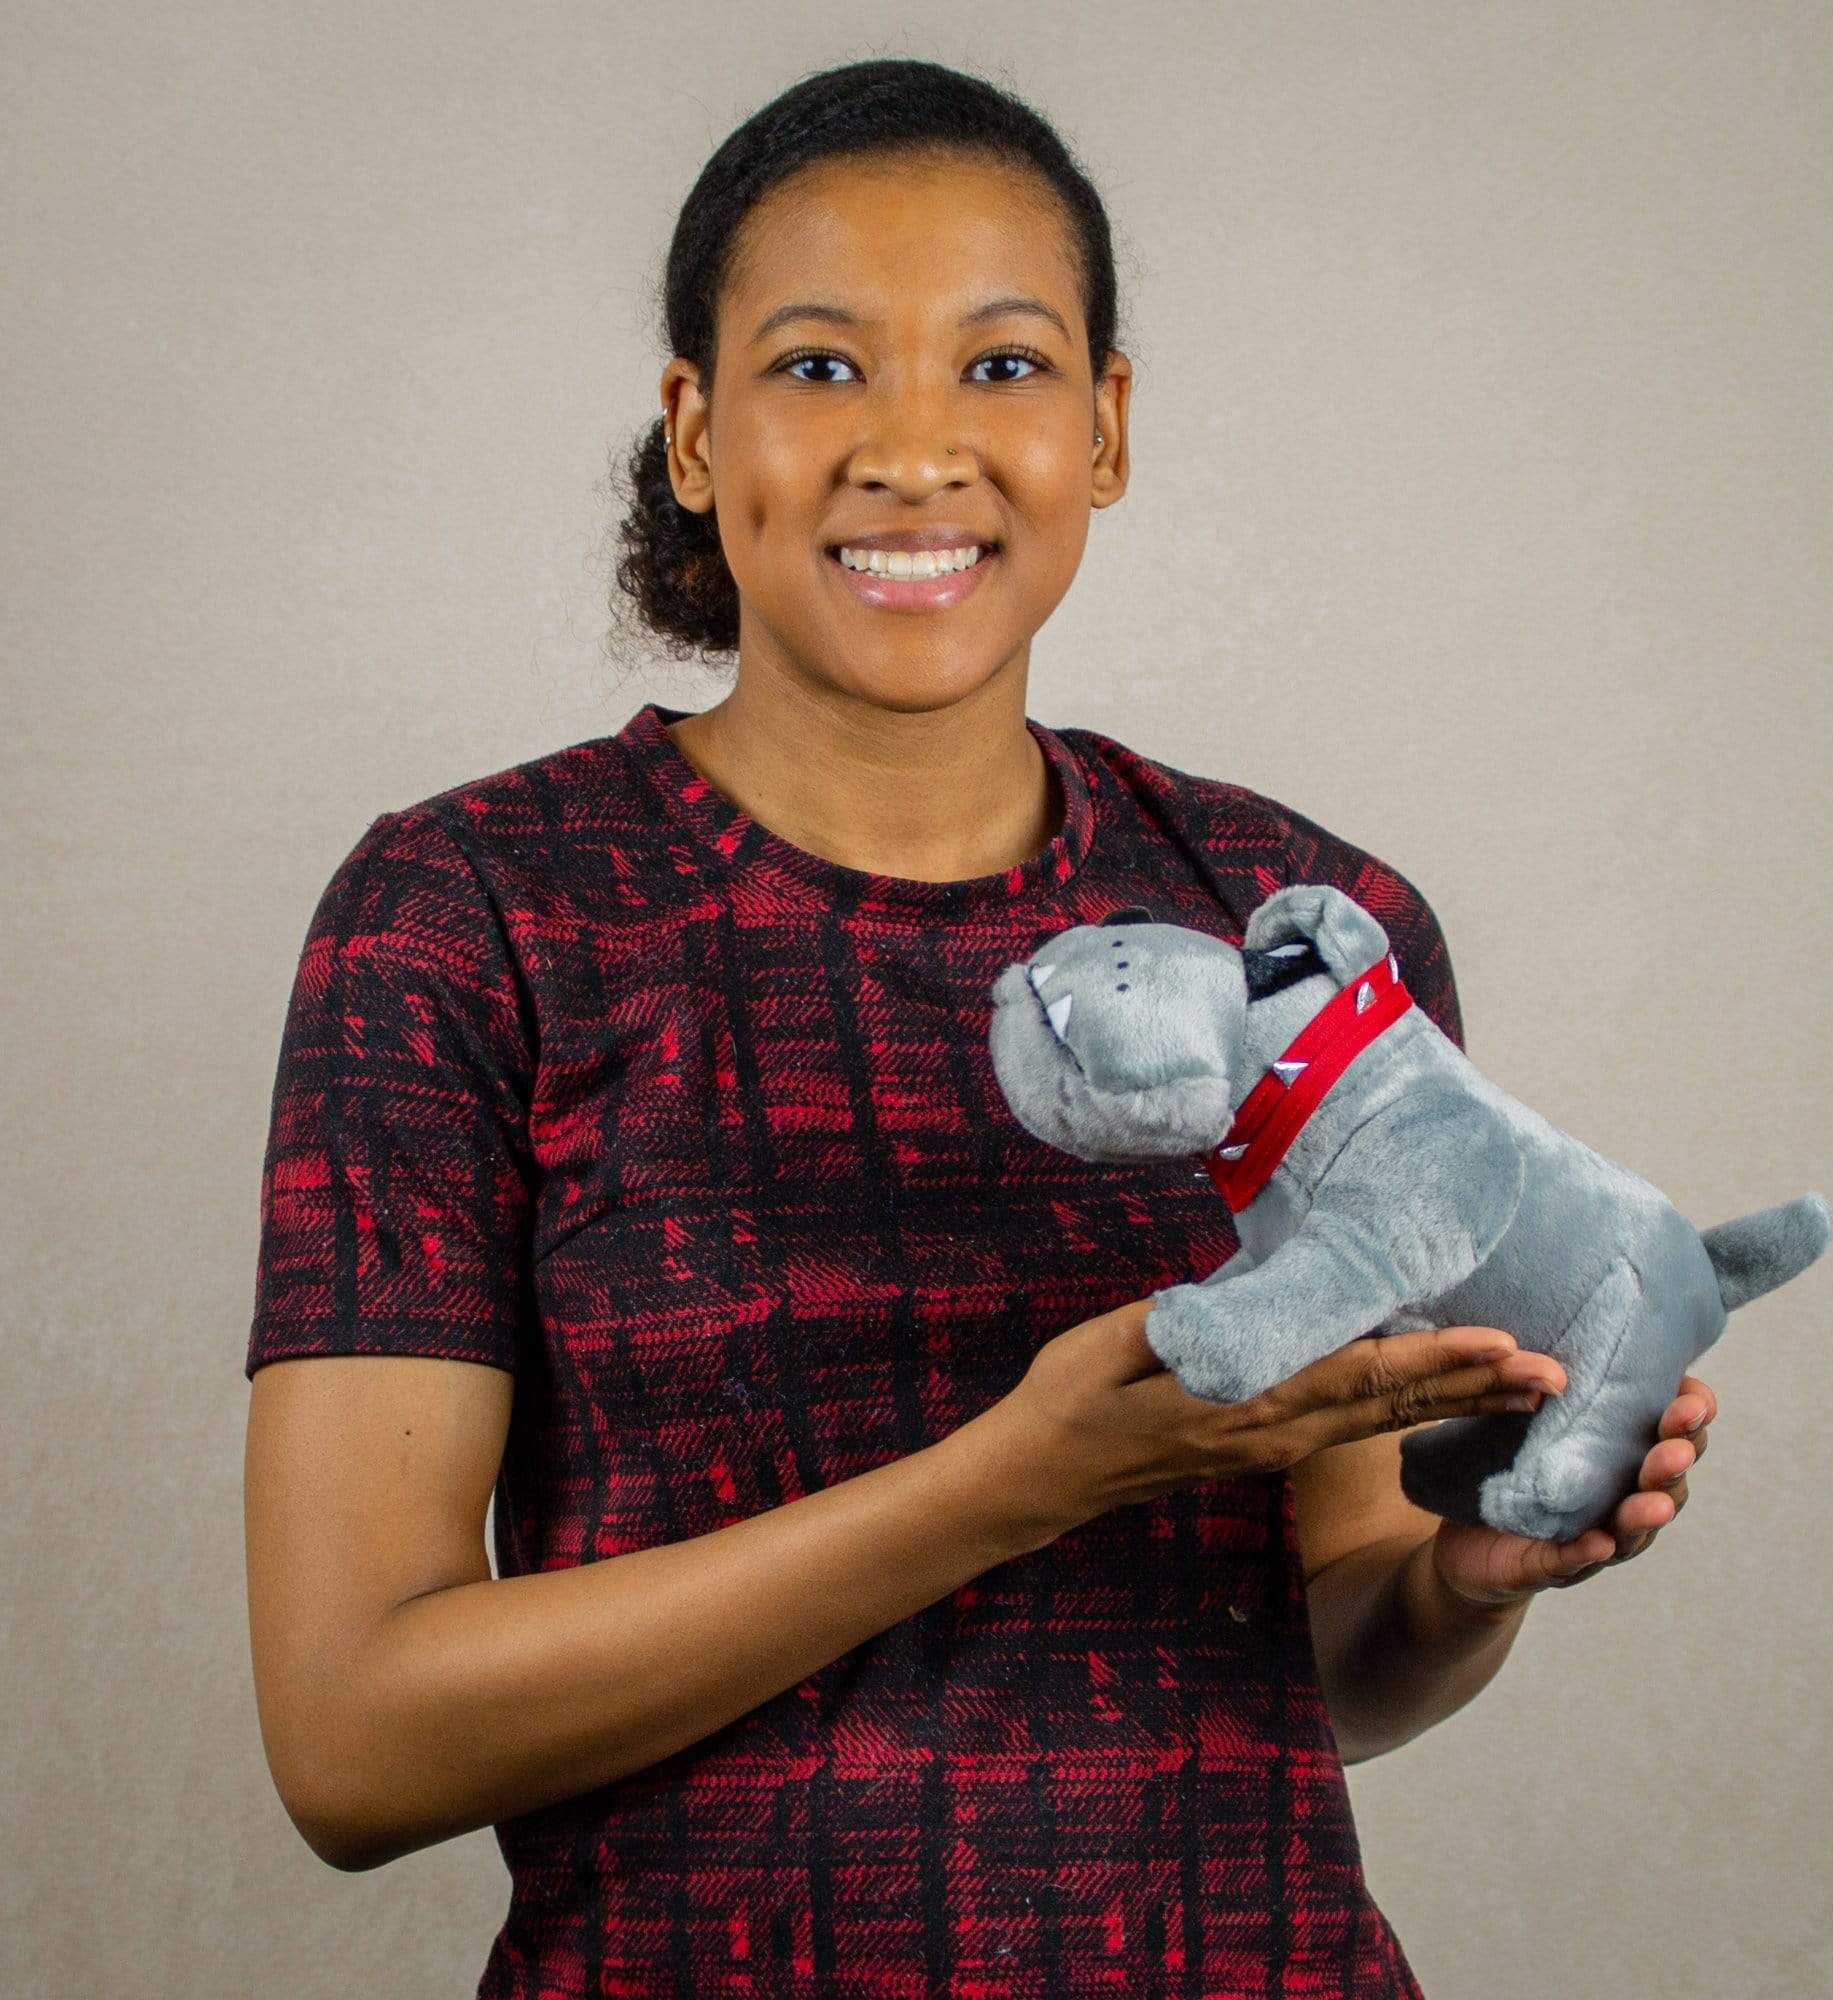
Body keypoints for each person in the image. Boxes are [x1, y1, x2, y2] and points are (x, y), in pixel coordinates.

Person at [241, 56, 1713, 1998]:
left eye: (1003, 366)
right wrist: (1005, 1481)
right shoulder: (475, 917)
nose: (916, 446)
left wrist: (1460, 1582)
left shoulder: (1294, 917)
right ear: (694, 431)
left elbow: (1331, 1648)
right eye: (823, 366)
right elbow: (355, 1736)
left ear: (1104, 428)